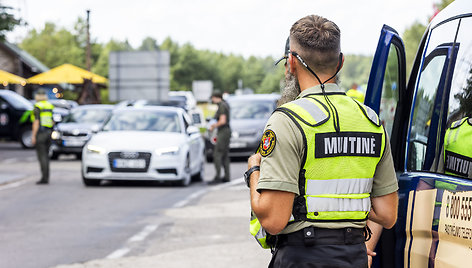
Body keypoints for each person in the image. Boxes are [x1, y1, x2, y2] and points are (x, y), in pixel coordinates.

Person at [246, 15, 399, 267]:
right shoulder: (370, 120)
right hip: (353, 257)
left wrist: (254, 171)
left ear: (292, 62)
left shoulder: (287, 121)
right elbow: (387, 215)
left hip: (302, 257)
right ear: (340, 62)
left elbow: (273, 220)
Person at [31, 89, 54, 184]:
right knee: (46, 156)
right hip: (49, 132)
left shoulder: (38, 106)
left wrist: (33, 136)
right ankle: (46, 176)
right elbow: (52, 121)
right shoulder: (49, 105)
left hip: (41, 133)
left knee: (42, 156)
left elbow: (36, 122)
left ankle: (44, 178)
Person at [208, 91, 231, 184]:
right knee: (225, 154)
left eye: (212, 98)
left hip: (223, 131)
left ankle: (218, 176)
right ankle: (226, 176)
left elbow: (222, 120)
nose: (212, 100)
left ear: (215, 97)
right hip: (225, 131)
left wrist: (213, 126)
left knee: (217, 154)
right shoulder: (225, 104)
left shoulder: (221, 105)